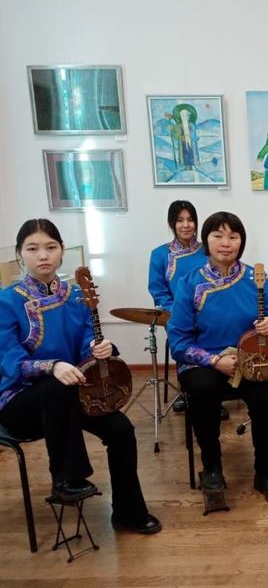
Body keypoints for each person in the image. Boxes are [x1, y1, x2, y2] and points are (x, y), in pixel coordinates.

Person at [0, 219, 161, 534]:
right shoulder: (6, 301)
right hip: (21, 402)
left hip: (71, 394)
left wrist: (99, 348)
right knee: (56, 386)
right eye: (32, 249)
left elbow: (87, 341)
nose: (43, 255)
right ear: (20, 254)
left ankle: (128, 512)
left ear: (62, 251)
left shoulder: (76, 296)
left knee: (121, 429)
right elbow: (9, 362)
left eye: (51, 247)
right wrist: (53, 366)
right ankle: (67, 479)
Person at [167, 211, 268, 506]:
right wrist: (213, 361)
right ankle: (212, 468)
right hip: (204, 361)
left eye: (233, 236)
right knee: (202, 388)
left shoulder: (255, 278)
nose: (226, 243)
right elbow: (179, 341)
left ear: (241, 242)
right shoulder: (189, 283)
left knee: (267, 397)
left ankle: (264, 474)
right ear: (206, 240)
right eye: (218, 235)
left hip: (250, 360)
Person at [148, 200, 220, 416]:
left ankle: (216, 393)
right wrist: (180, 312)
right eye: (180, 220)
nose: (186, 225)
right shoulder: (159, 254)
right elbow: (158, 291)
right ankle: (187, 391)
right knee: (182, 336)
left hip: (209, 313)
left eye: (190, 220)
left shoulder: (208, 250)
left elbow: (219, 283)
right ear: (172, 223)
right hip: (177, 314)